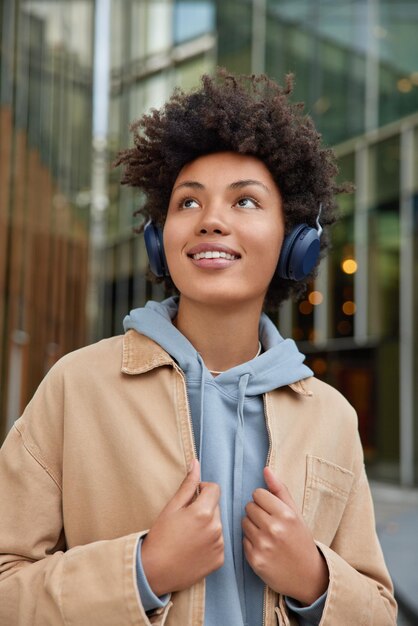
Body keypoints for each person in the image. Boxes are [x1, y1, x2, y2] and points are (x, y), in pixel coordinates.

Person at [0, 70, 396, 626]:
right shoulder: (76, 386)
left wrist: (313, 578)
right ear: (160, 241)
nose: (210, 220)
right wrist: (143, 570)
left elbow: (380, 609)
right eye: (188, 203)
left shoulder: (331, 416)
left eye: (246, 203)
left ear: (295, 243)